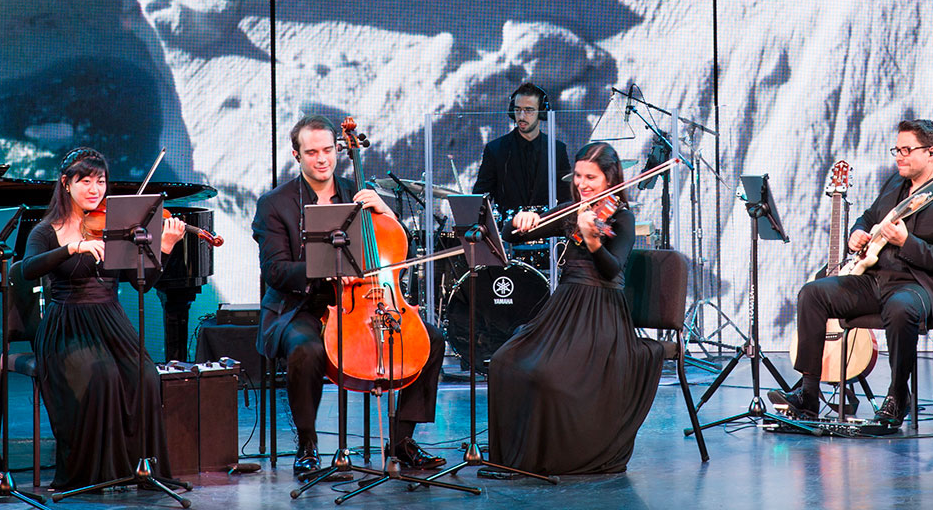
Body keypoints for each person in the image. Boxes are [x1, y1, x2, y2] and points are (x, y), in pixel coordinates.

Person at [253, 115, 448, 473]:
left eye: (328, 150)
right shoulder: (275, 205)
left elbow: (396, 249)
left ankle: (402, 439)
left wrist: (386, 212)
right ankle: (308, 442)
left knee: (430, 339)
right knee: (306, 349)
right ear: (297, 155)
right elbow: (275, 271)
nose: (322, 158)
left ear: (339, 150)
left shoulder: (358, 194)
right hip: (299, 308)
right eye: (312, 152)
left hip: (362, 303)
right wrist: (324, 269)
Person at [781, 119, 933, 431]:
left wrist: (907, 243)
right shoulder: (893, 185)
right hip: (875, 279)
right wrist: (857, 232)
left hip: (917, 287)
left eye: (906, 150)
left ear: (932, 153)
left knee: (901, 308)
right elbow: (868, 217)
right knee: (812, 292)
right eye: (896, 149)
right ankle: (809, 394)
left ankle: (898, 394)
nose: (898, 156)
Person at [486, 143, 663, 474]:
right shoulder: (572, 211)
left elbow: (613, 269)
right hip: (565, 306)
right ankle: (515, 453)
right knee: (503, 361)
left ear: (610, 179)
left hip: (601, 312)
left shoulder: (621, 217)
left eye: (591, 177)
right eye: (579, 176)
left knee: (550, 376)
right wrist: (519, 221)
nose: (582, 184)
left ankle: (555, 454)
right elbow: (513, 235)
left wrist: (593, 241)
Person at [20, 148, 187, 490]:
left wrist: (165, 248)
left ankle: (139, 469)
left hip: (110, 319)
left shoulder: (115, 227)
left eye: (101, 181)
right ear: (66, 184)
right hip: (67, 323)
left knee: (145, 376)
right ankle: (94, 474)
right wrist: (72, 248)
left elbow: (140, 284)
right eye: (85, 181)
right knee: (101, 375)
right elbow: (26, 269)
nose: (95, 189)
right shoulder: (45, 231)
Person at [473, 82, 575, 222]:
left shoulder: (557, 149)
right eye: (517, 110)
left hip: (545, 229)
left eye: (528, 110)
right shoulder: (495, 149)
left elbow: (566, 198)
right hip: (508, 232)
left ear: (542, 112)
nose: (521, 116)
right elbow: (480, 198)